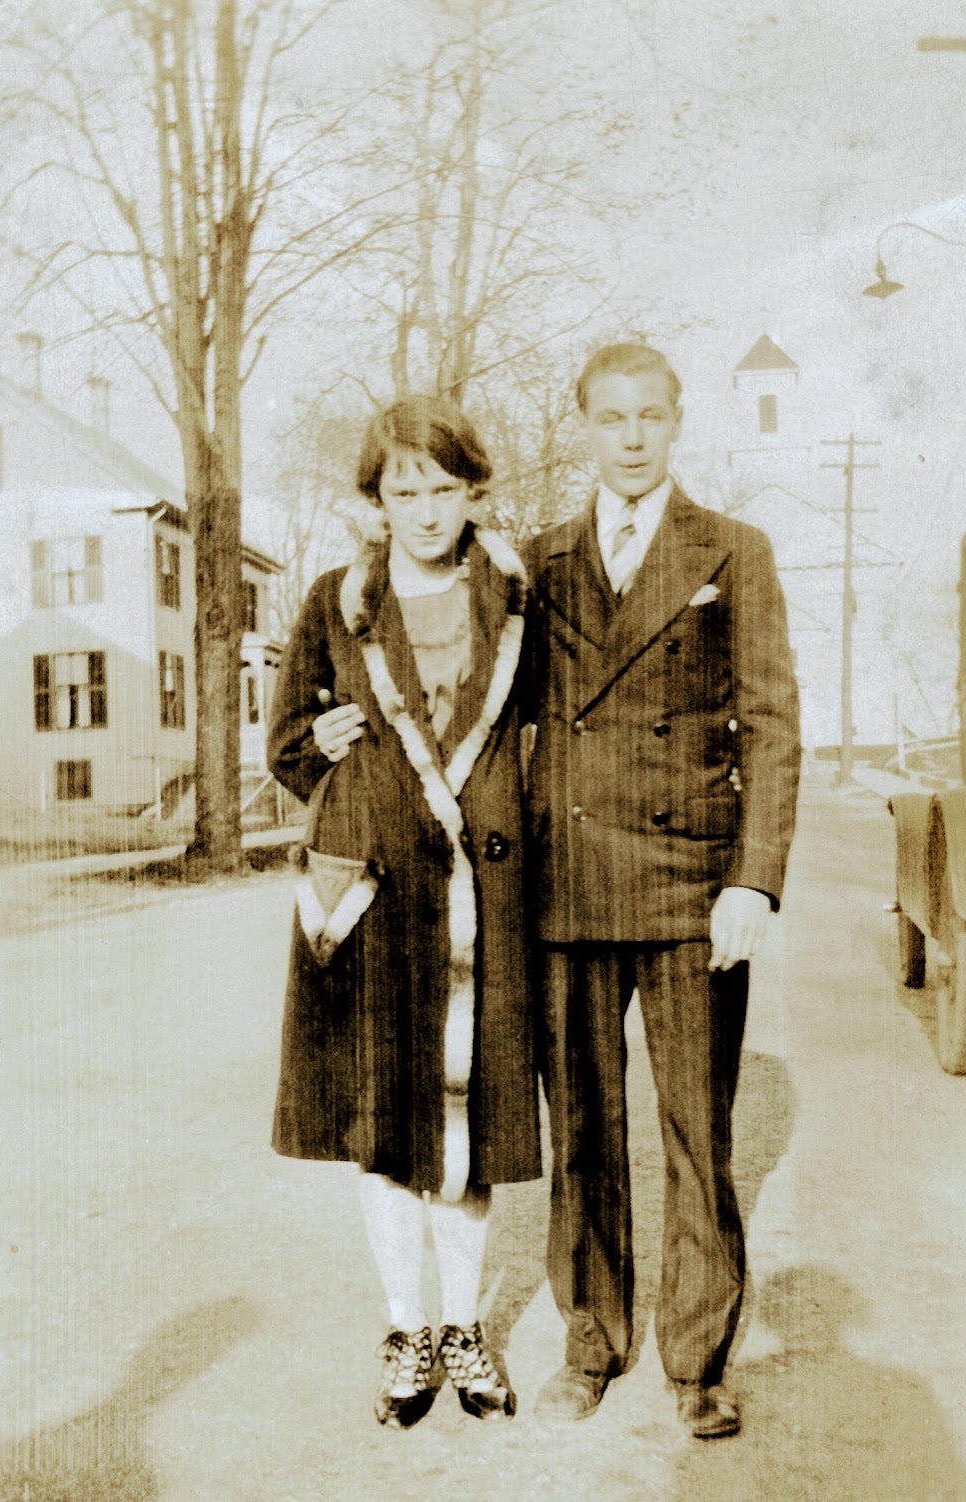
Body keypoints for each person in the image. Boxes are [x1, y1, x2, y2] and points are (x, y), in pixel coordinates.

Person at [524, 342, 801, 1438]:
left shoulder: (733, 550)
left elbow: (774, 725)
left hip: (693, 891)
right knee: (583, 1128)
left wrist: (756, 880)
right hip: (571, 885)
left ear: (677, 420)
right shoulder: (539, 563)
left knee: (697, 1131)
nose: (631, 435)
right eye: (610, 417)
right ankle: (590, 1341)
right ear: (583, 426)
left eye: (650, 415)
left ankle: (698, 1359)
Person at [267, 396, 540, 1430]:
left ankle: (464, 1327)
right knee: (387, 1128)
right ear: (376, 502)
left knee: (472, 1128)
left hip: (488, 894)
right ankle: (405, 1328)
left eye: (442, 487)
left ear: (476, 489)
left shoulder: (518, 596)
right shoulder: (337, 599)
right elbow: (286, 744)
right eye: (402, 490)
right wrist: (321, 738)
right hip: (377, 895)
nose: (424, 510)